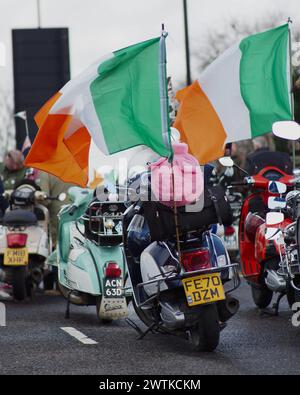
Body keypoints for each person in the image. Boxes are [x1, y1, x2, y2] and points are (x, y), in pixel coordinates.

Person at [37, 171, 75, 247]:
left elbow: (45, 200)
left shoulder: (46, 171)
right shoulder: (76, 169)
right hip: (76, 214)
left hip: (57, 218)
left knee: (58, 248)